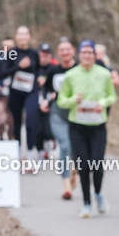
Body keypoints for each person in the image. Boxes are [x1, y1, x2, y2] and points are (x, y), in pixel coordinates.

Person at [57, 39, 116, 217]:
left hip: (98, 126)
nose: (87, 55)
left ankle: (97, 194)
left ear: (94, 55)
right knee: (83, 166)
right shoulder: (71, 75)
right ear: (79, 54)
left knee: (97, 164)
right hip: (77, 127)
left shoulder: (104, 74)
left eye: (90, 52)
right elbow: (61, 100)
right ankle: (86, 204)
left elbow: (112, 96)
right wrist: (72, 100)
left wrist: (103, 103)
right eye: (84, 52)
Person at [1, 26, 42, 170]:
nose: (23, 37)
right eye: (20, 34)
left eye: (26, 34)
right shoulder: (11, 53)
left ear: (29, 37)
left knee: (30, 122)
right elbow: (3, 72)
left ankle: (30, 157)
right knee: (17, 124)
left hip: (31, 92)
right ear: (16, 37)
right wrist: (18, 66)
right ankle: (17, 156)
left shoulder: (34, 53)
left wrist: (41, 77)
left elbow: (38, 70)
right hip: (16, 92)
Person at [44, 38, 78, 199]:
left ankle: (74, 172)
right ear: (58, 53)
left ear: (73, 51)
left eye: (68, 49)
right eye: (62, 50)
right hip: (58, 113)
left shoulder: (80, 68)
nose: (65, 52)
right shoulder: (53, 70)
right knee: (65, 145)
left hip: (77, 113)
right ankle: (66, 186)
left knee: (77, 148)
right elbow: (47, 90)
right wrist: (45, 100)